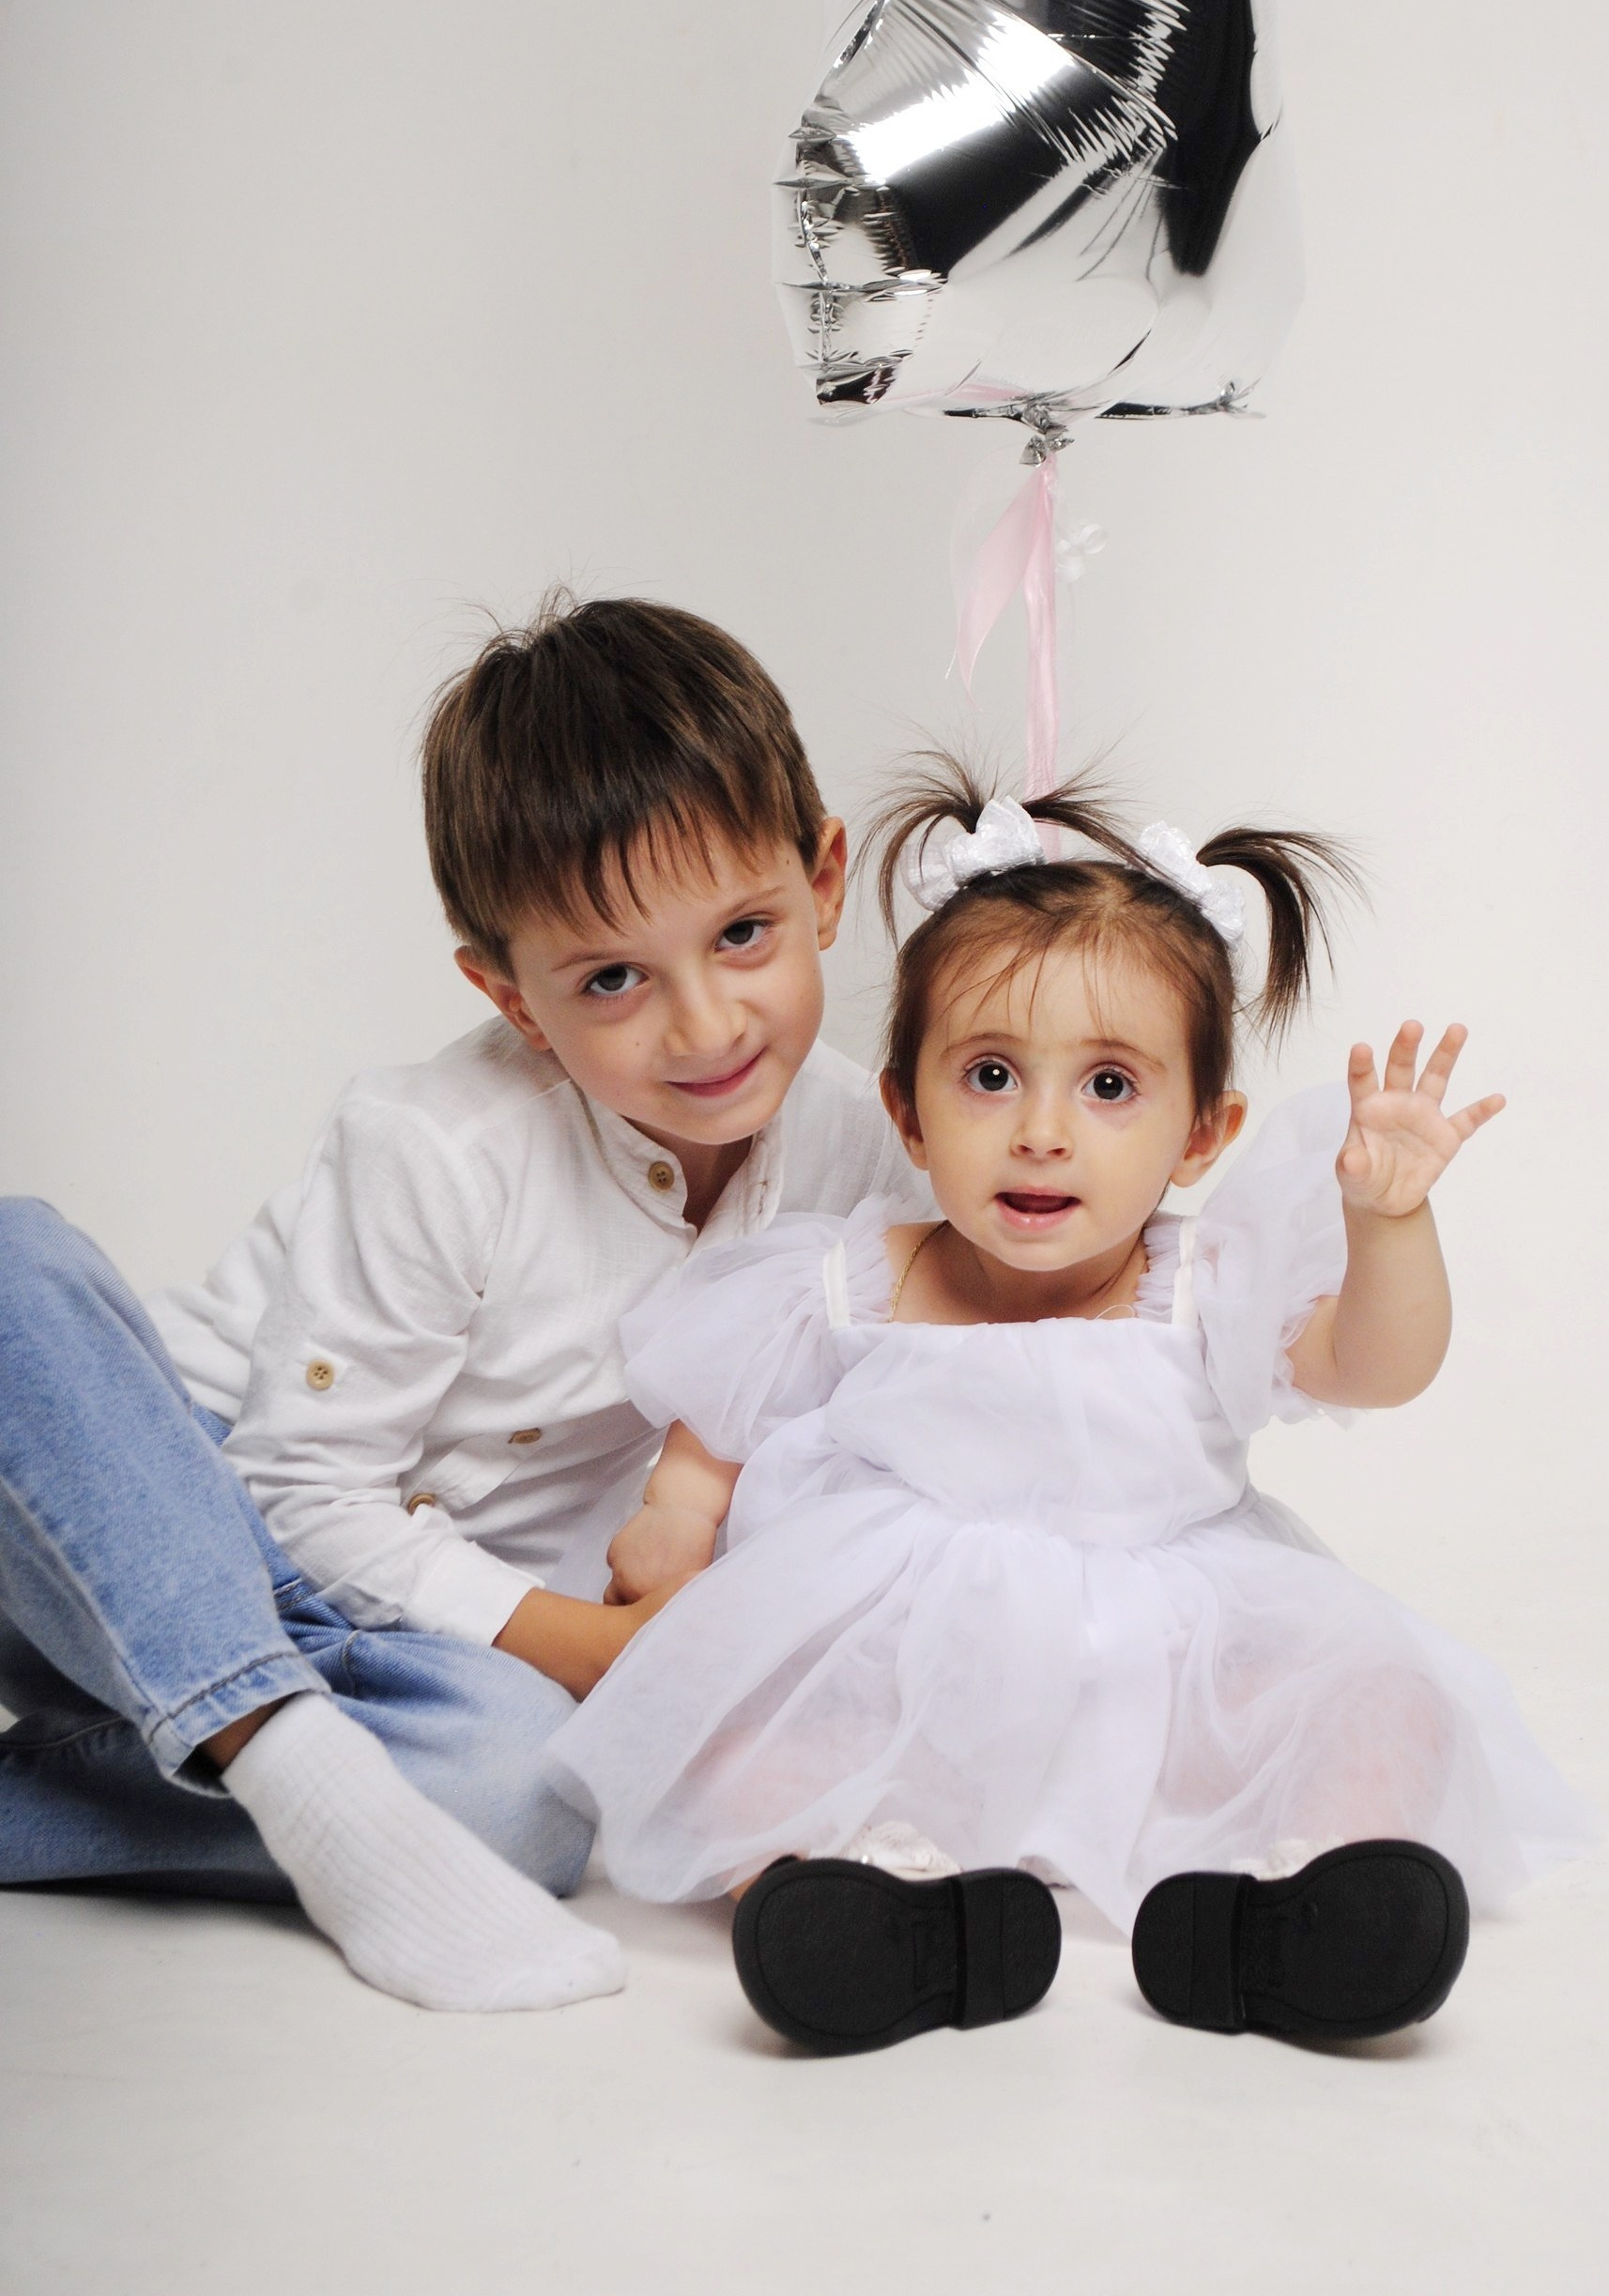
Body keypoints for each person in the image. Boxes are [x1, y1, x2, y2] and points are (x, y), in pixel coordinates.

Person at [542, 762, 1592, 2054]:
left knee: (1383, 1702)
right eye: (989, 1076)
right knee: (740, 1732)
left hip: (1163, 1675)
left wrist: (1389, 1224)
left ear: (1202, 1134)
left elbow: (1373, 1367)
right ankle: (884, 1911)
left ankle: (1279, 1914)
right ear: (904, 1110)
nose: (1042, 1133)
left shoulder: (1203, 1287)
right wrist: (677, 1514)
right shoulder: (854, 1277)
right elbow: (724, 1409)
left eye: (1108, 1088)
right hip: (909, 1678)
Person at [0, 593, 923, 2012]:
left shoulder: (869, 1147)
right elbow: (304, 1491)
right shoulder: (439, 1146)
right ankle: (288, 1759)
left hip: (398, 1648)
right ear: (512, 997)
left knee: (525, 1801)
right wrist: (598, 1650)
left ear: (824, 881)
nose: (704, 1024)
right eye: (610, 979)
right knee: (16, 1268)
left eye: (744, 933)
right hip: (144, 1523)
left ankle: (246, 1768)